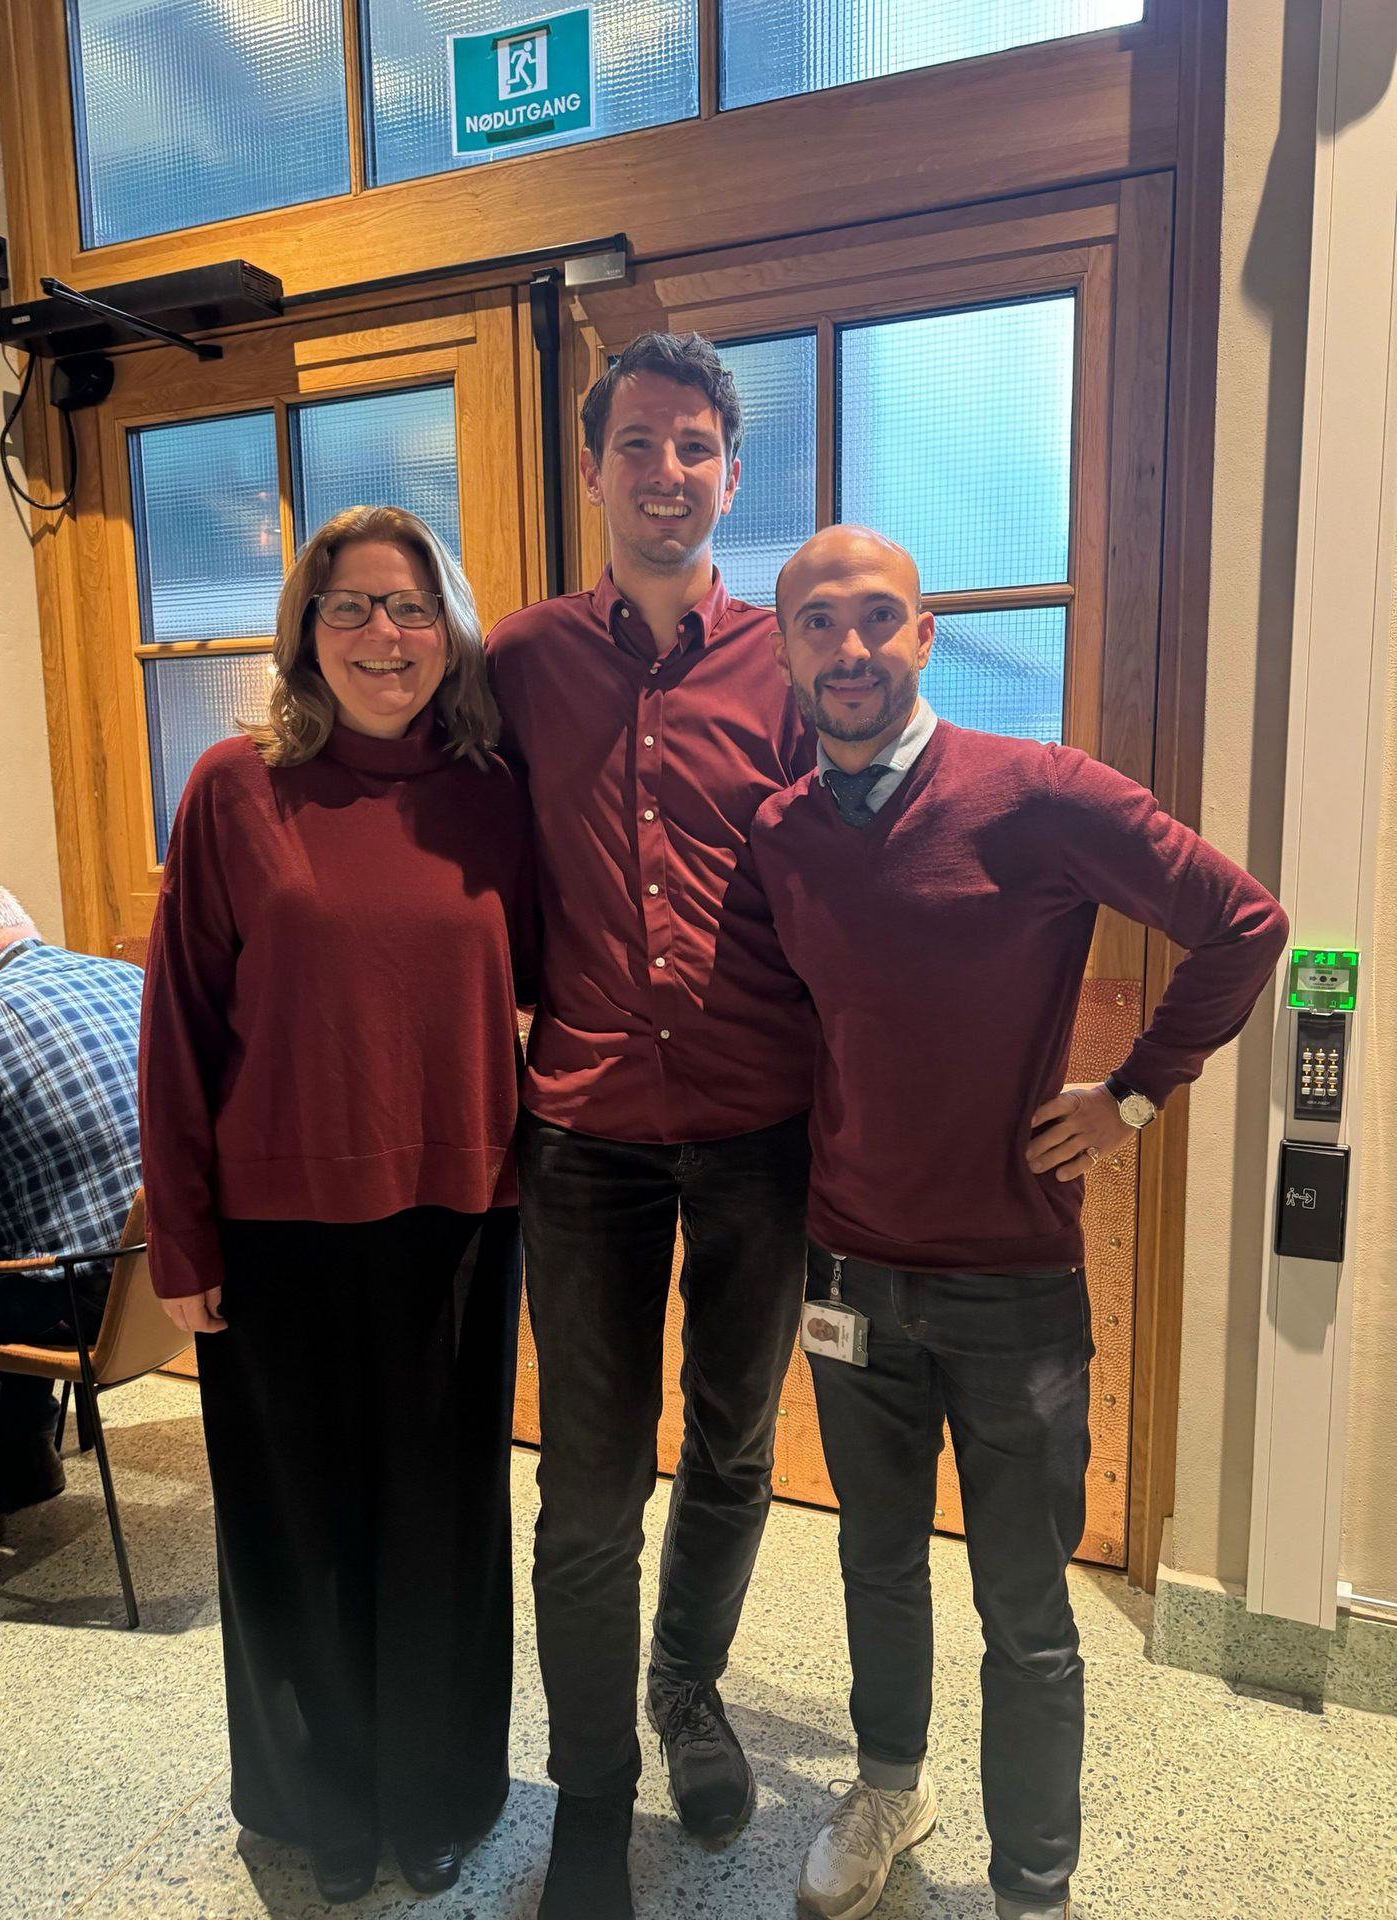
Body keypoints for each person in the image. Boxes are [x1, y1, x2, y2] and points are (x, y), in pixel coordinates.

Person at [748, 525, 1289, 1920]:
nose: (851, 648)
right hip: (849, 1276)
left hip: (1011, 1292)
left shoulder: (1035, 794)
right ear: (787, 647)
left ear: (924, 634)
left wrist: (1135, 1096)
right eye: (819, 623)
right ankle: (889, 1784)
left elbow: (1243, 923)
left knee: (1029, 1618)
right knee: (874, 1565)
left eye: (879, 618)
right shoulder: (783, 835)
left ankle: (1031, 1890)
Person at [139, 505, 533, 1907]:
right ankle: (315, 1801)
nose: (386, 636)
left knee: (441, 1522)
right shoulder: (233, 789)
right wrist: (178, 1238)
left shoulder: (494, 790)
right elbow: (177, 1028)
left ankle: (437, 1794)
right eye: (353, 608)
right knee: (294, 1531)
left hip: (460, 1223)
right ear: (307, 631)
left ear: (452, 630)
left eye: (412, 608)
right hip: (274, 1234)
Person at [485, 331, 816, 1920]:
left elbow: (859, 882)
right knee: (590, 1482)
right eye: (639, 446)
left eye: (696, 447)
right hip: (588, 1131)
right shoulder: (524, 661)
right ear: (597, 468)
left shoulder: (793, 665)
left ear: (730, 475)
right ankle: (590, 1804)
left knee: (738, 1452)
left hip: (763, 1123)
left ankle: (688, 1692)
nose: (667, 472)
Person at [0, 880, 142, 1551]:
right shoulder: (128, 977)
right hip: (157, 1282)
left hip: (73, 1297)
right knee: (15, 1229)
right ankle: (22, 1448)